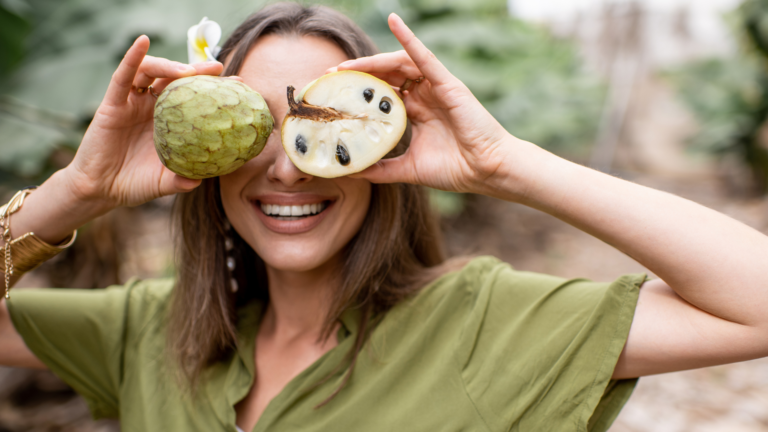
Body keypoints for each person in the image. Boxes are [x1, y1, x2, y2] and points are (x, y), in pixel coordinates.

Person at [1, 3, 767, 431]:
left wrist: (507, 165)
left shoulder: (482, 323)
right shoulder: (146, 332)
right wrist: (78, 191)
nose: (289, 164)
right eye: (256, 127)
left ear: (379, 147)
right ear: (207, 161)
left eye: (322, 128)